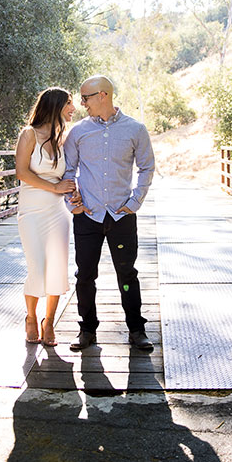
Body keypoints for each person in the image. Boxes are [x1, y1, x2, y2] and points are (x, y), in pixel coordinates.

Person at [63, 74, 155, 352]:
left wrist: (135, 201)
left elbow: (147, 167)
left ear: (103, 95)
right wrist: (72, 202)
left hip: (121, 216)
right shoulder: (78, 132)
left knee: (127, 274)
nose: (82, 104)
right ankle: (87, 329)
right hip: (87, 216)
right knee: (85, 275)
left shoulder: (135, 129)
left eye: (86, 98)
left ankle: (136, 330)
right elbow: (68, 171)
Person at [15, 87, 76, 346]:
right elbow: (21, 172)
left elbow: (69, 174)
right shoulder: (28, 134)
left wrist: (75, 191)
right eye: (69, 103)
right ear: (55, 105)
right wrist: (54, 187)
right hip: (31, 210)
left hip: (57, 212)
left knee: (57, 267)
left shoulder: (63, 138)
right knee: (37, 266)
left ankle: (49, 321)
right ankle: (31, 317)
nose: (74, 108)